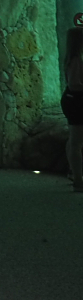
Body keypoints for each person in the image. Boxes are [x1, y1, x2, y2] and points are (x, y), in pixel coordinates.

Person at [64, 25, 83, 192]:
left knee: (73, 140)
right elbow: (75, 84)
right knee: (76, 142)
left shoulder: (72, 57)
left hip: (72, 100)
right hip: (77, 102)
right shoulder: (77, 59)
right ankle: (78, 181)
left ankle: (72, 171)